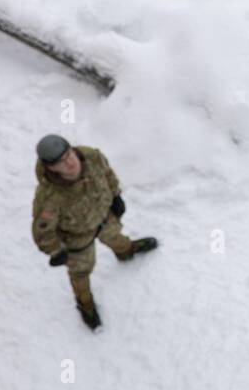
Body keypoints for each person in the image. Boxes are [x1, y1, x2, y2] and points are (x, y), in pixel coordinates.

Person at [30, 135, 158, 330]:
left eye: (69, 154)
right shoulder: (49, 198)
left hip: (105, 216)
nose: (70, 163)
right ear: (51, 168)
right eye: (61, 162)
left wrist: (115, 195)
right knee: (80, 272)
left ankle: (127, 252)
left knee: (117, 238)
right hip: (77, 237)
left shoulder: (91, 156)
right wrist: (56, 251)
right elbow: (42, 233)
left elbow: (107, 173)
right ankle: (85, 304)